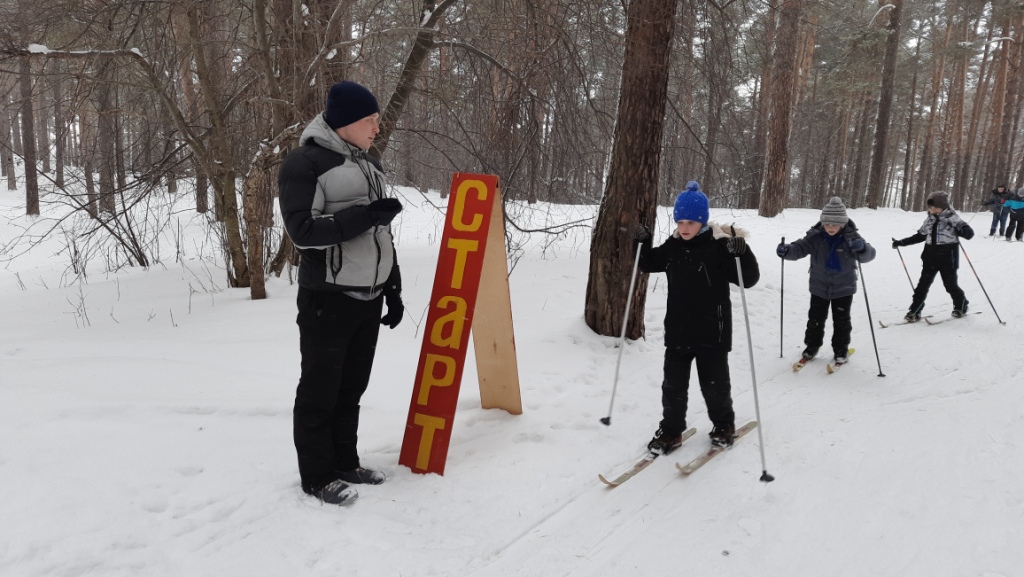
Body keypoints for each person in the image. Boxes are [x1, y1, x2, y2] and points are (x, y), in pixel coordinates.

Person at [278, 80, 405, 506]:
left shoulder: (370, 164)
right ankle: (317, 476)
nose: (377, 128)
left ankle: (346, 462)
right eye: (370, 120)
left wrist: (392, 286)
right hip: (328, 298)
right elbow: (303, 232)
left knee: (351, 389)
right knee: (320, 391)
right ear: (346, 122)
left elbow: (380, 235)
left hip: (368, 296)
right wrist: (366, 215)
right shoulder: (305, 163)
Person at [635, 181, 760, 454]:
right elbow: (647, 263)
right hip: (678, 331)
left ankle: (723, 426)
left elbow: (748, 279)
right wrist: (641, 242)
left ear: (702, 221)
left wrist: (743, 253)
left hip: (712, 332)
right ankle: (671, 432)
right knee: (673, 387)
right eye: (680, 221)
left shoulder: (719, 248)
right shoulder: (673, 247)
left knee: (715, 386)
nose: (684, 227)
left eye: (690, 222)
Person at [776, 197, 876, 365]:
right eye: (827, 224)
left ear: (842, 224)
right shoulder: (815, 237)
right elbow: (799, 248)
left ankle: (840, 350)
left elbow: (869, 255)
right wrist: (787, 251)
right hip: (819, 286)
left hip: (844, 288)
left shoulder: (851, 238)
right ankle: (812, 347)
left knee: (842, 322)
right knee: (815, 320)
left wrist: (862, 248)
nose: (830, 227)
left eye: (834, 224)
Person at [892, 191, 974, 322]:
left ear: (943, 206)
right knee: (922, 286)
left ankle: (961, 305)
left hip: (948, 258)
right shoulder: (929, 219)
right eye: (930, 207)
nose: (932, 210)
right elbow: (920, 236)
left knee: (950, 285)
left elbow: (969, 234)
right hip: (930, 257)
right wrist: (901, 242)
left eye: (935, 207)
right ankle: (915, 311)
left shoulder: (953, 218)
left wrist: (959, 230)